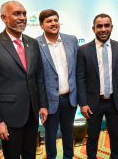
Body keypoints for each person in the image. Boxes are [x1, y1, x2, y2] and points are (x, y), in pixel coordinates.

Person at [0, 1, 48, 159]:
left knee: (31, 154)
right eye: (17, 13)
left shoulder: (33, 43)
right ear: (4, 17)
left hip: (31, 114)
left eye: (24, 14)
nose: (23, 17)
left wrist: (42, 105)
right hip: (8, 117)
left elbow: (39, 77)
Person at [76, 13, 118, 159]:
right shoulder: (83, 50)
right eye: (99, 26)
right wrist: (83, 103)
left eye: (106, 25)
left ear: (111, 27)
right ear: (93, 28)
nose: (103, 29)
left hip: (115, 101)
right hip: (94, 103)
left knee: (116, 138)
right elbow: (80, 78)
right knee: (92, 138)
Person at [36, 9, 79, 159]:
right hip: (48, 102)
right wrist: (41, 104)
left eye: (55, 20)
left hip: (70, 99)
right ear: (41, 25)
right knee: (50, 136)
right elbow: (36, 76)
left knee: (68, 133)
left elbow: (78, 69)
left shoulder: (72, 40)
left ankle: (69, 156)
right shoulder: (35, 44)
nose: (53, 23)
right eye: (49, 21)